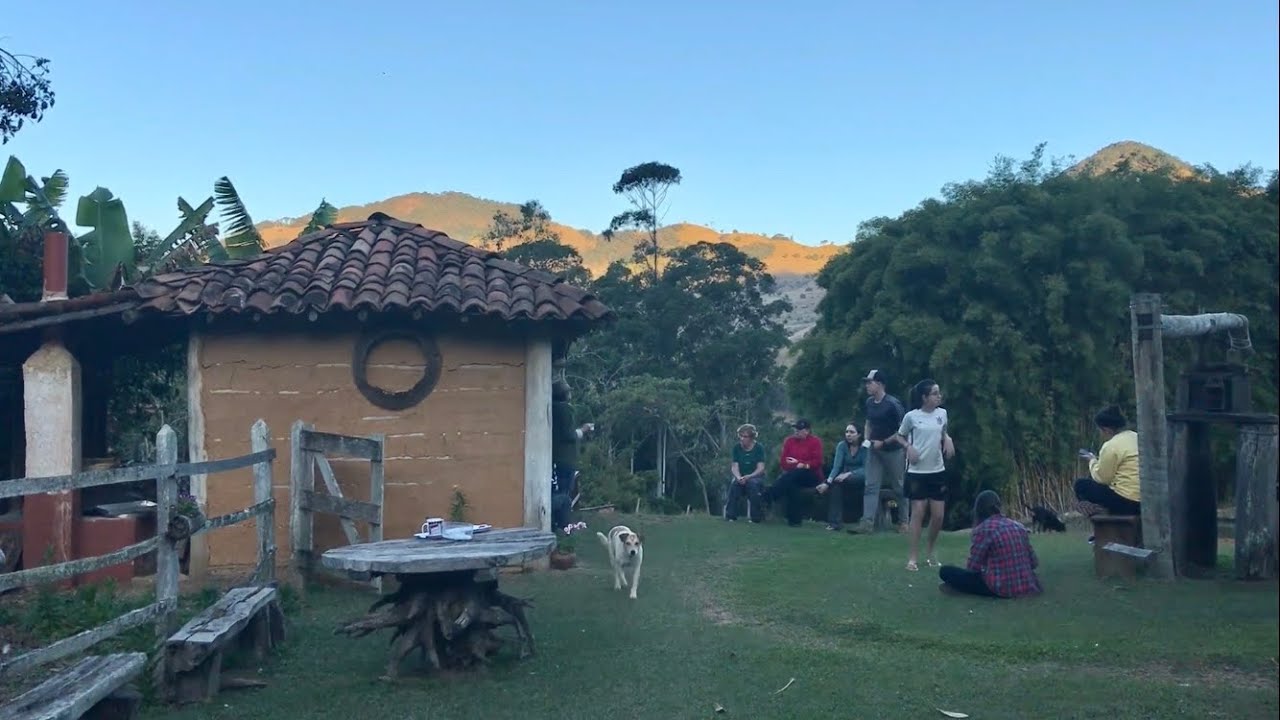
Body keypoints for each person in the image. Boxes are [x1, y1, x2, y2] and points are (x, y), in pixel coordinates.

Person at [896, 379, 955, 571]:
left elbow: (943, 431)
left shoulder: (942, 414)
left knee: (938, 516)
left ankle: (930, 552)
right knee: (918, 513)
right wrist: (908, 447)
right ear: (924, 397)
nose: (939, 396)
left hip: (937, 470)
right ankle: (912, 558)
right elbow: (899, 436)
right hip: (916, 472)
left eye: (939, 393)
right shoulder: (911, 417)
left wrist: (947, 439)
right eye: (935, 393)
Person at [939, 490, 1042, 599]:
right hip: (1027, 585)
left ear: (979, 511)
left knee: (946, 571)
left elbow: (973, 567)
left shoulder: (984, 529)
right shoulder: (1019, 526)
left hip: (1001, 588)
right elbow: (1034, 563)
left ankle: (954, 590)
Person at [853, 369, 908, 534]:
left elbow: (903, 431)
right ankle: (867, 523)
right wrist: (868, 440)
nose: (867, 386)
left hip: (893, 451)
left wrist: (884, 443)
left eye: (870, 382)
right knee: (870, 485)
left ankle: (904, 522)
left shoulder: (893, 404)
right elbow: (868, 422)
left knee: (899, 487)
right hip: (874, 450)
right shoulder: (869, 402)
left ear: (880, 384)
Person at [1074, 405, 1141, 517]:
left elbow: (1102, 478)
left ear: (1107, 430)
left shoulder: (1111, 445)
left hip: (1126, 501)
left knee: (1081, 485)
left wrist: (1092, 461)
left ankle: (1101, 521)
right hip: (1142, 499)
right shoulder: (1136, 437)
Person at [761, 419, 824, 527]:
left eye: (799, 429)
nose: (796, 431)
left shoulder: (815, 442)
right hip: (792, 475)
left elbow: (817, 462)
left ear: (807, 431)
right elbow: (784, 462)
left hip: (811, 475)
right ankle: (794, 520)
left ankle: (769, 495)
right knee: (792, 484)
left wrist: (802, 464)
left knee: (796, 473)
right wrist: (796, 465)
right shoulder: (789, 441)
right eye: (796, 429)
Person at [551, 380, 593, 531]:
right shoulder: (564, 409)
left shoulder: (553, 407)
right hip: (564, 460)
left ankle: (560, 526)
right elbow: (568, 435)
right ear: (564, 394)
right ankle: (563, 528)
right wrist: (583, 430)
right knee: (563, 497)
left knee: (560, 494)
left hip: (558, 459)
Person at [816, 424, 866, 531]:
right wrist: (828, 482)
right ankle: (835, 523)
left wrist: (849, 473)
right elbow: (836, 467)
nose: (848, 435)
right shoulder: (842, 446)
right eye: (847, 432)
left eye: (852, 432)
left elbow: (867, 468)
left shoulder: (865, 447)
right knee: (835, 486)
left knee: (838, 481)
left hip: (861, 477)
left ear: (859, 435)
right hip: (842, 479)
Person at [725, 423, 766, 522]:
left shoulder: (759, 448)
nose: (742, 439)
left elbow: (761, 468)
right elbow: (734, 466)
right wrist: (739, 477)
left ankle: (756, 517)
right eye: (741, 436)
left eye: (745, 436)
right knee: (735, 485)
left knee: (752, 485)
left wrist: (749, 476)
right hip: (741, 477)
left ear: (751, 437)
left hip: (755, 477)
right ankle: (730, 516)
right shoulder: (736, 448)